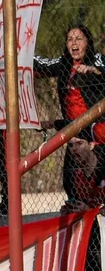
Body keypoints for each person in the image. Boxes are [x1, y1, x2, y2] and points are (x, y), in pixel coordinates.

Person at [34, 25, 105, 201]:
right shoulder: (64, 64)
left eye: (79, 39)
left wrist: (94, 70)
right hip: (73, 131)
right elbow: (41, 64)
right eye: (70, 39)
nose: (74, 43)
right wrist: (18, 49)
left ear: (88, 42)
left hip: (97, 131)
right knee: (70, 180)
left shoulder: (96, 60)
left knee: (97, 176)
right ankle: (79, 212)